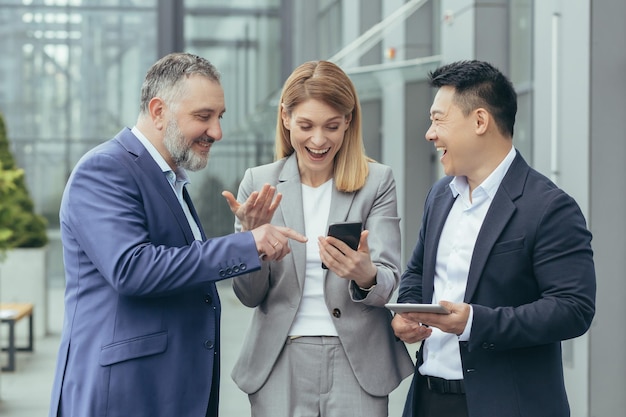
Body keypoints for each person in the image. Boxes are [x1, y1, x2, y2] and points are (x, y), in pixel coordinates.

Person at [48, 52, 306, 417]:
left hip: (166, 391)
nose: (217, 132)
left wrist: (249, 236)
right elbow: (132, 269)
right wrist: (247, 244)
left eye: (219, 117)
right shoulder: (104, 169)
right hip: (123, 395)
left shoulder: (171, 180)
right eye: (203, 117)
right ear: (158, 112)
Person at [391, 59, 596, 417]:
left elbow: (572, 309)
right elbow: (417, 271)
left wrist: (473, 323)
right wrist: (408, 313)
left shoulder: (548, 207)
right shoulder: (440, 196)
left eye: (439, 119)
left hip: (507, 405)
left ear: (480, 121)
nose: (430, 133)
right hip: (427, 399)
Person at [221, 60, 414, 417]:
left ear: (349, 122)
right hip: (279, 359)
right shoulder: (258, 183)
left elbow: (388, 283)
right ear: (285, 118)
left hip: (357, 362)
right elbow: (248, 296)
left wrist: (364, 274)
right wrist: (252, 243)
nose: (319, 140)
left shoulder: (377, 182)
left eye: (332, 126)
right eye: (306, 125)